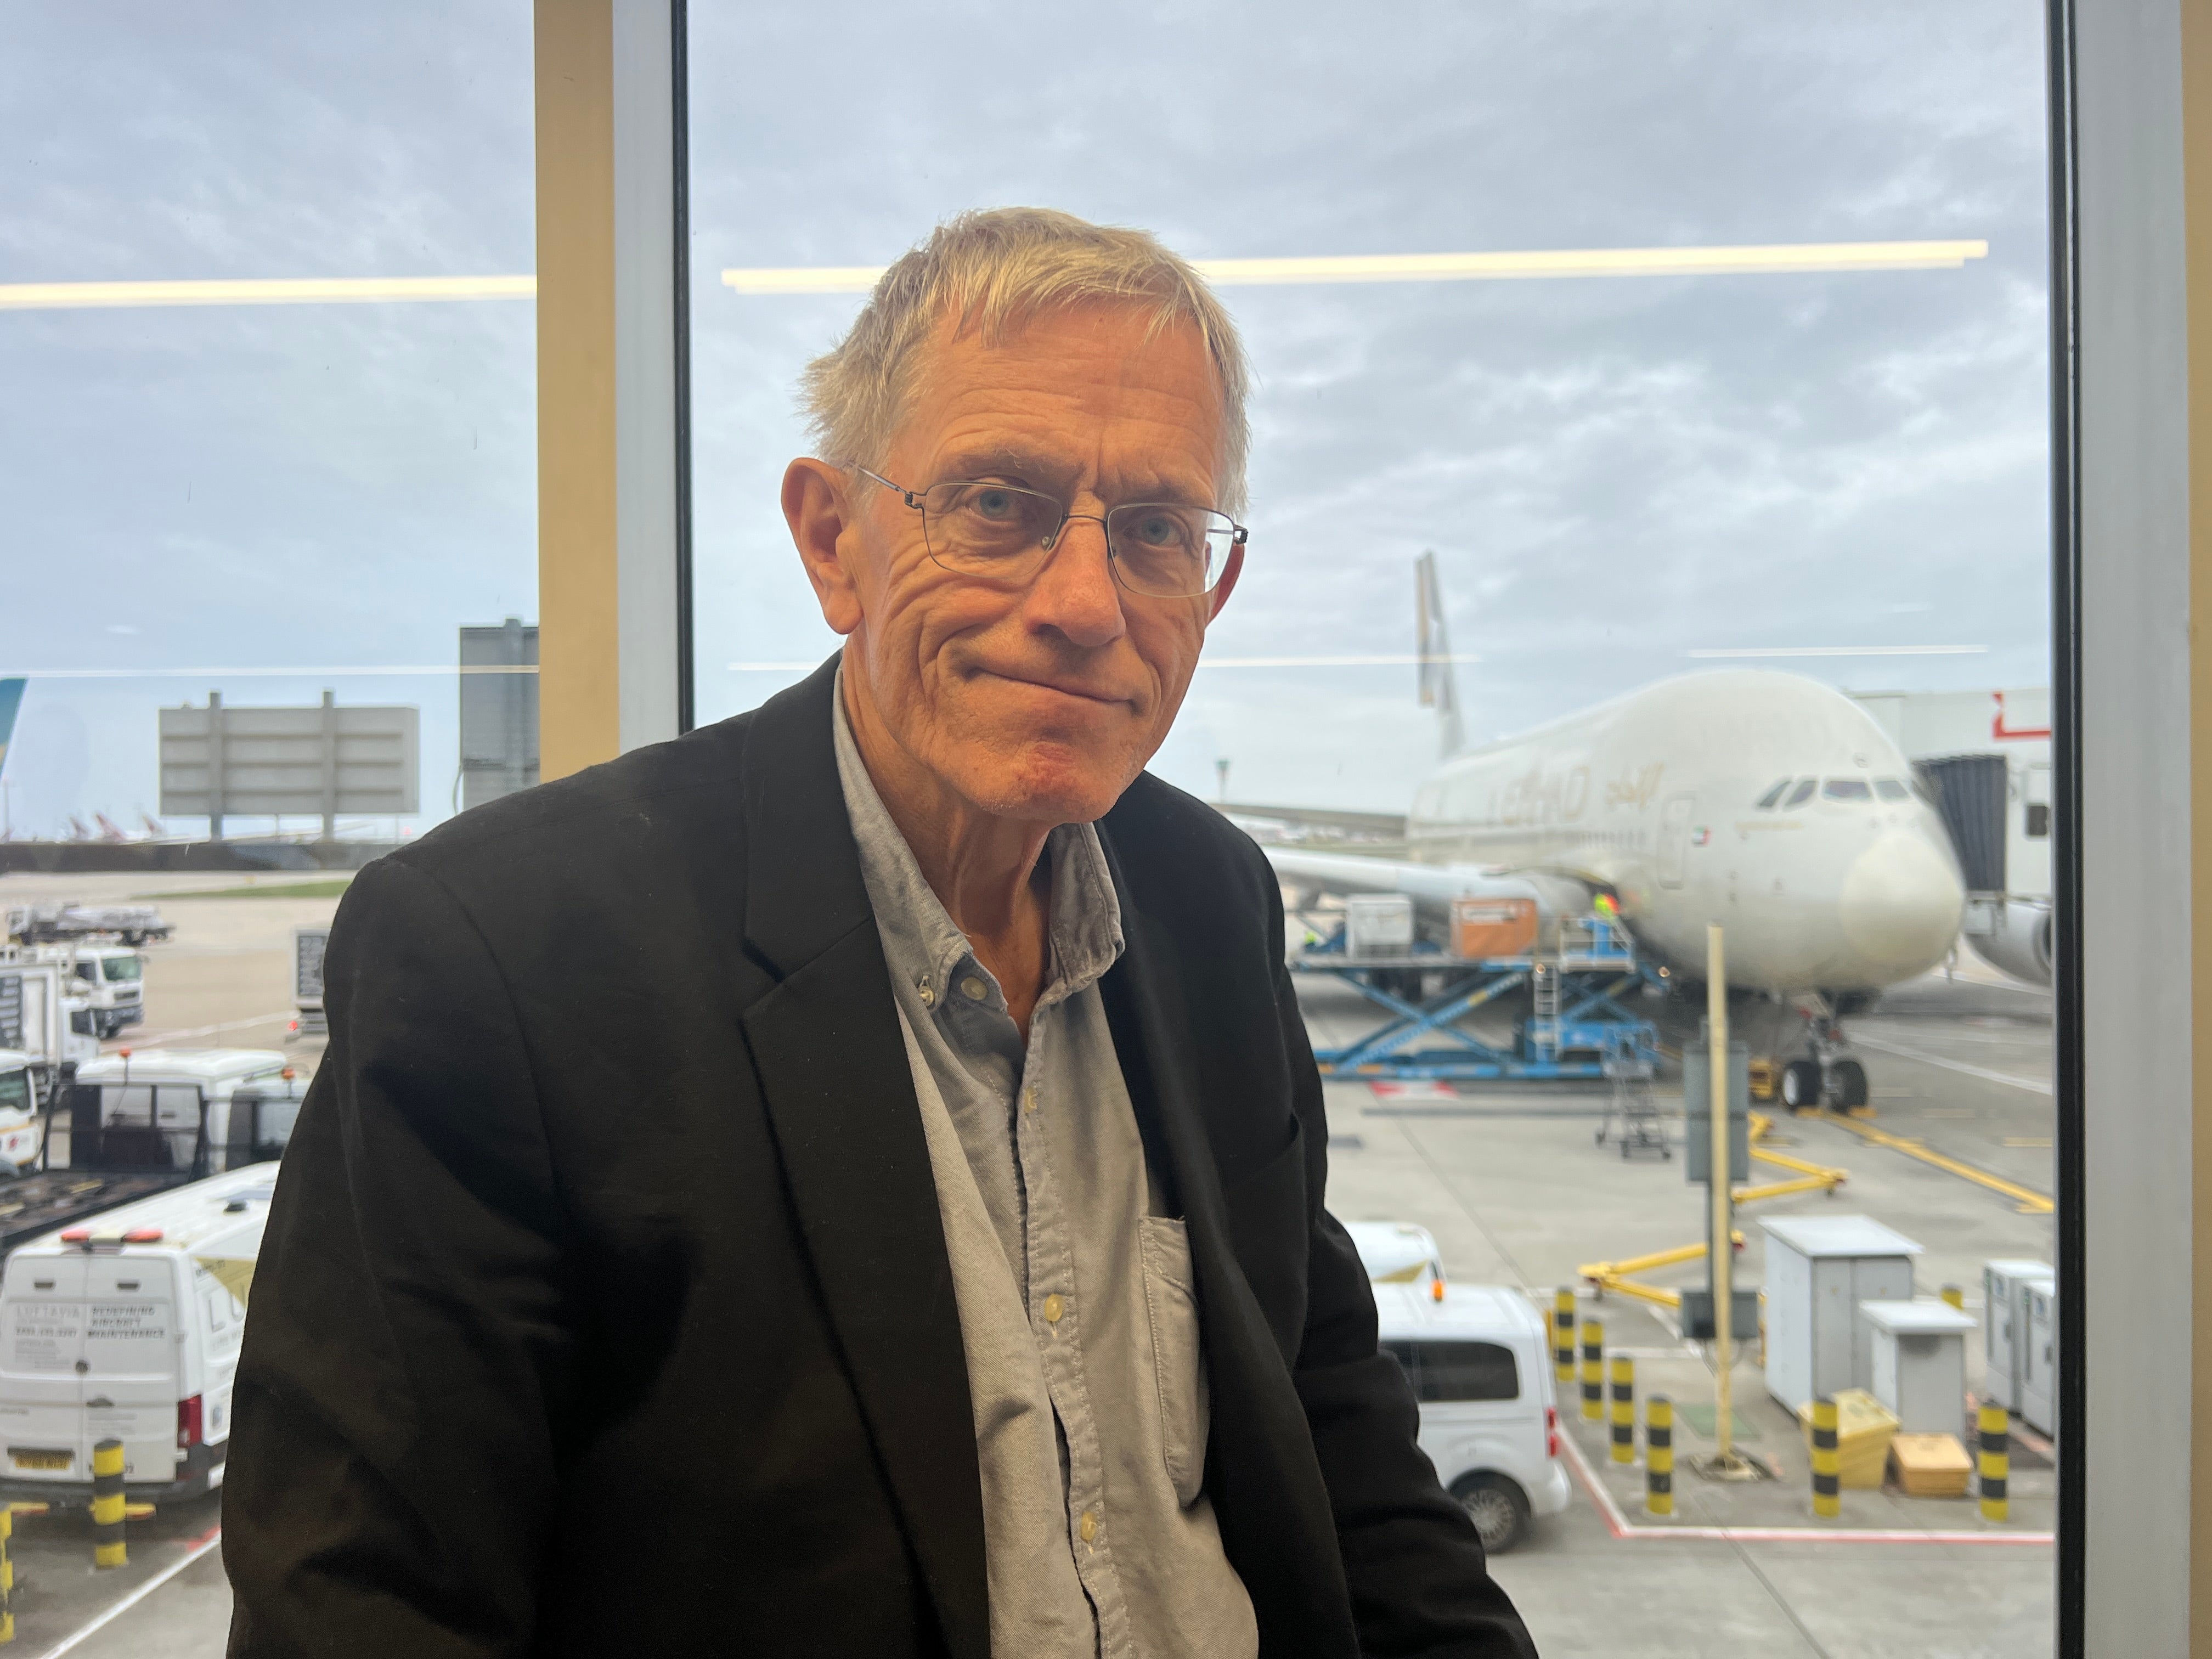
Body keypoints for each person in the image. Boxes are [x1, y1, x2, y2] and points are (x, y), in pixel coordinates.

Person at [224, 206, 1537, 1658]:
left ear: (1210, 588)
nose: (1087, 606)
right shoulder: (506, 957)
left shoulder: (1213, 904)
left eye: (1157, 531)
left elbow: (1329, 1412)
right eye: (997, 504)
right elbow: (358, 1606)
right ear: (831, 539)